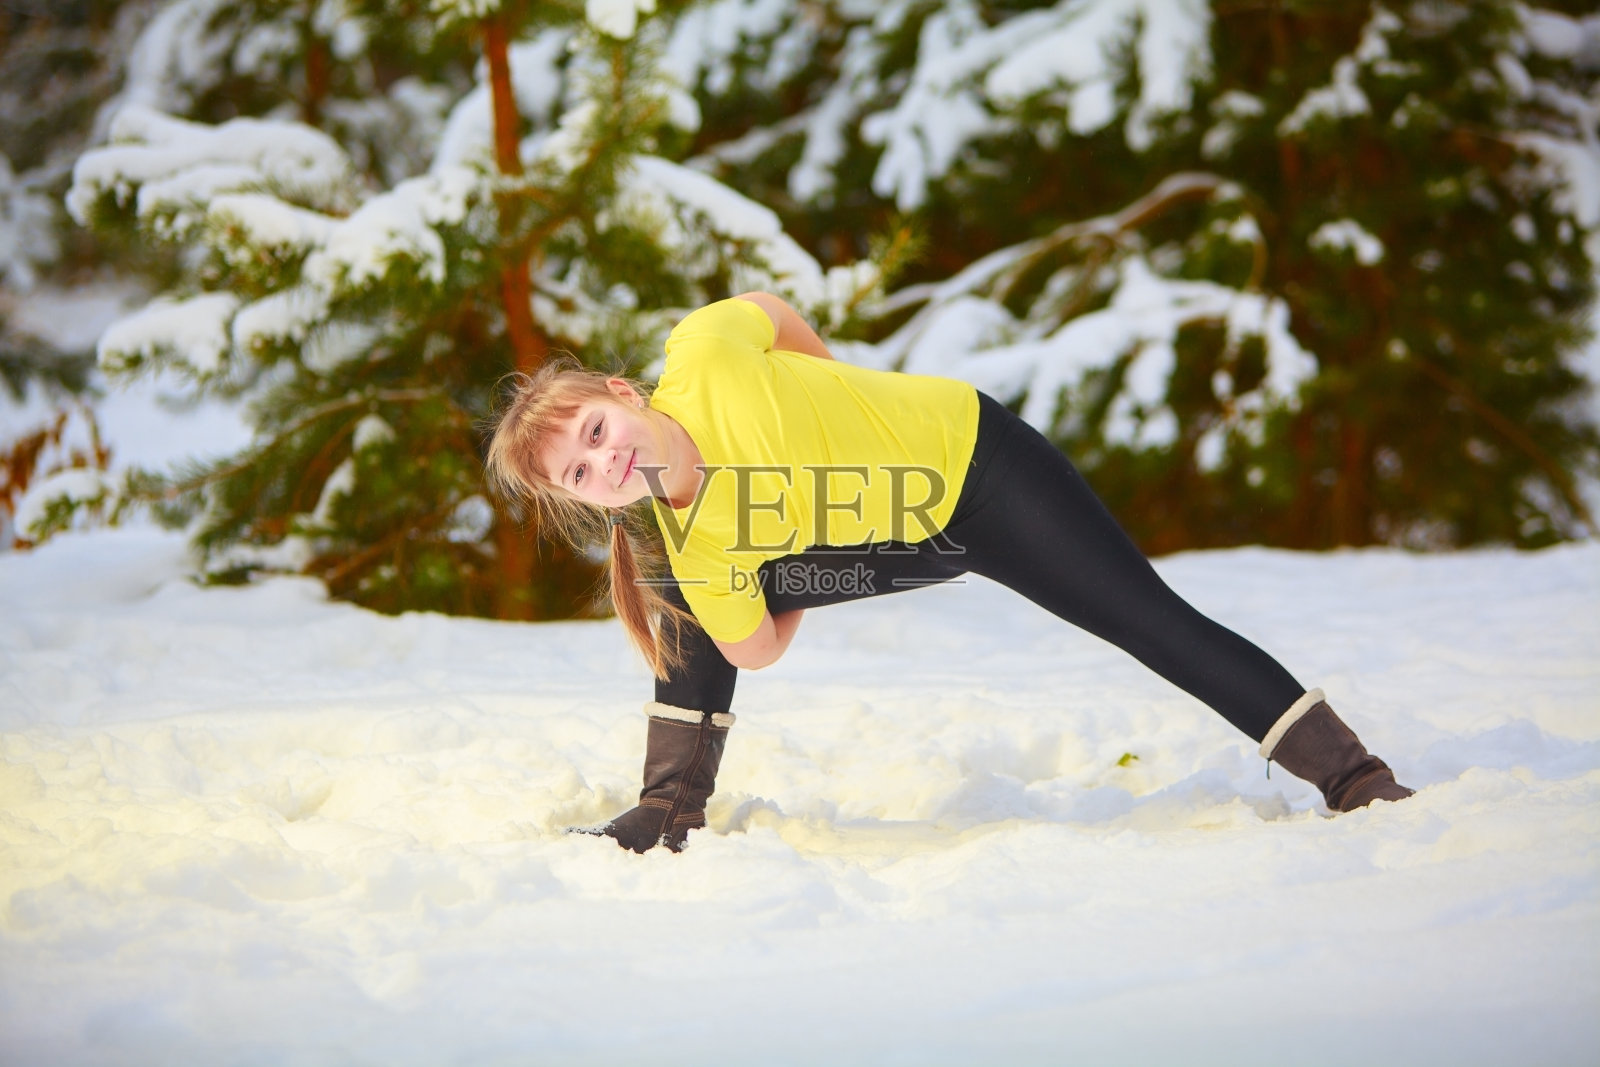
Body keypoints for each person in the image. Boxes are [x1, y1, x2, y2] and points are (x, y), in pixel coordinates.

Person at [486, 292, 1413, 853]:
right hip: (899, 542)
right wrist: (785, 579)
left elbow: (771, 316)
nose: (602, 461)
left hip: (981, 467)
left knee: (1149, 620)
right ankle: (666, 809)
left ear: (622, 393)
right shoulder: (702, 551)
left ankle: (1354, 776)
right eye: (579, 473)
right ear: (585, 503)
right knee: (683, 585)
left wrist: (841, 387)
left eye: (597, 433)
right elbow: (757, 652)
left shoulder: (702, 353)